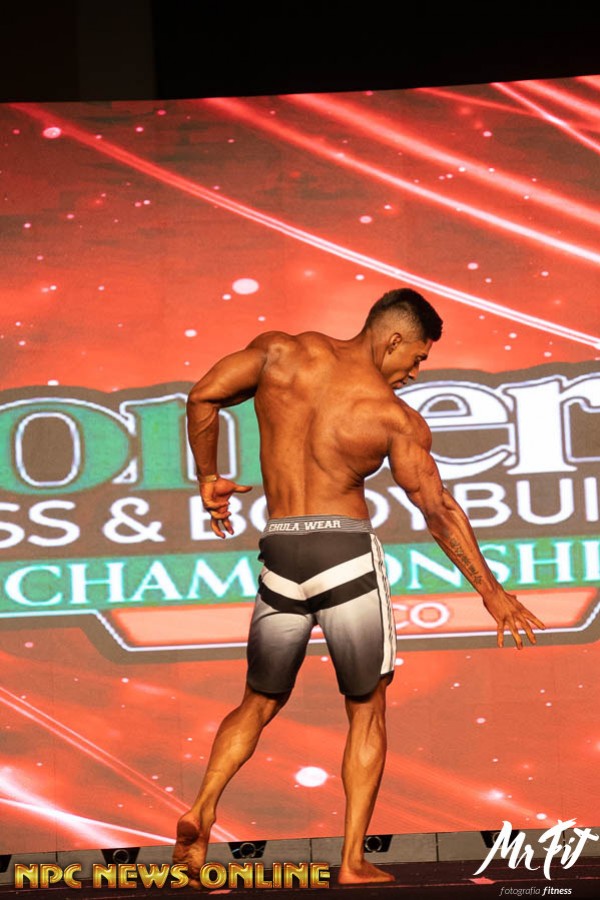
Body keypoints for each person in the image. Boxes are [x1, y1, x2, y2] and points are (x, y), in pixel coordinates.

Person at [173, 287, 545, 886]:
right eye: (417, 358)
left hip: (281, 551)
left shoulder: (280, 353)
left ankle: (202, 806)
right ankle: (351, 862)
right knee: (367, 708)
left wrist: (208, 476)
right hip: (343, 554)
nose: (415, 372)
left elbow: (203, 396)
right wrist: (492, 593)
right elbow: (439, 510)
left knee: (258, 701)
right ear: (394, 339)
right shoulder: (391, 416)